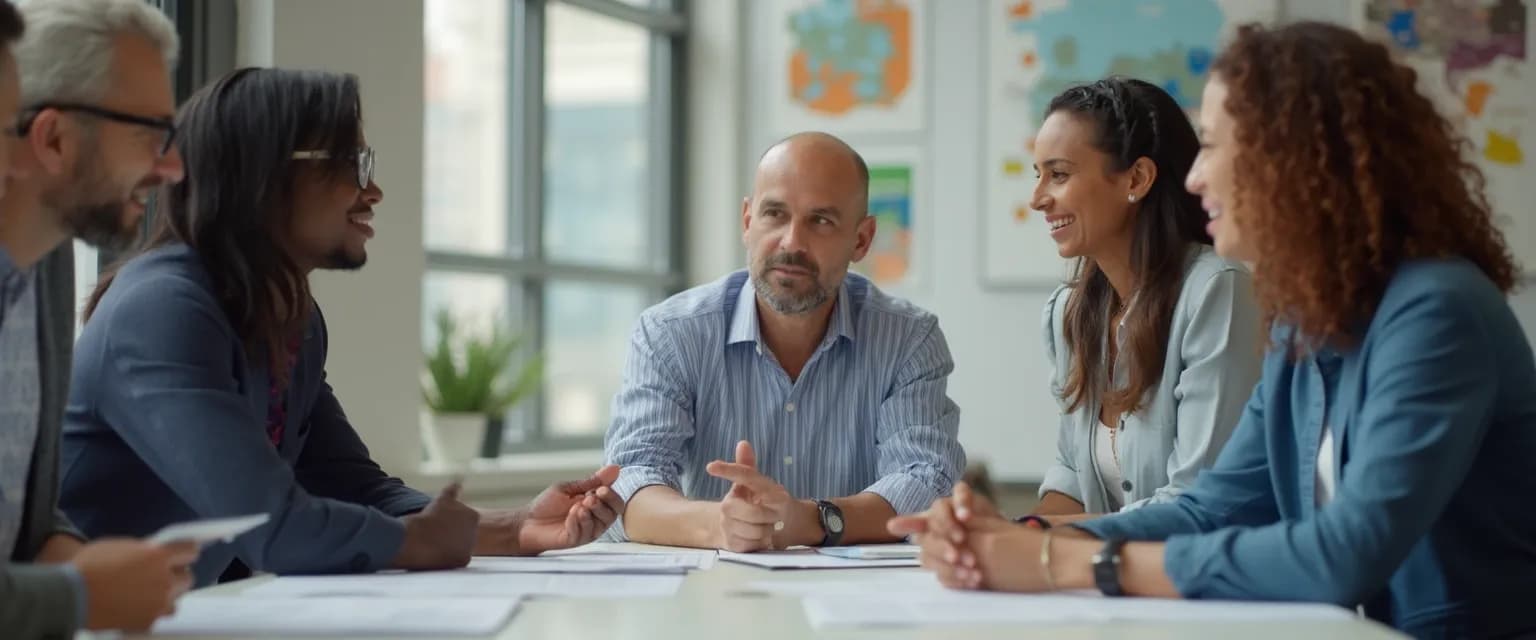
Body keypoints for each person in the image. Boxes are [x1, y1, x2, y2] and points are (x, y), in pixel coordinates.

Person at [892, 21, 1536, 639]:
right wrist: (1016, 536)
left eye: (1217, 146)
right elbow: (1213, 508)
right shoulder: (1304, 323)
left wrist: (1065, 563)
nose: (1196, 177)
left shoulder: (1437, 313)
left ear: (1298, 162)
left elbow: (1344, 553)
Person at [59, 67, 624, 587]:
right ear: (268, 174)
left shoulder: (292, 318)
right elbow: (273, 527)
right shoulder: (162, 310)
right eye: (354, 165)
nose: (373, 192)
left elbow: (353, 486)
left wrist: (518, 527)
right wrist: (415, 542)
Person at [605, 132, 965, 552]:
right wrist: (720, 525)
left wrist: (810, 521)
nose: (792, 242)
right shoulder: (669, 334)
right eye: (774, 214)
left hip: (859, 600)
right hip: (715, 592)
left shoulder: (908, 340)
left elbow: (925, 482)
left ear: (861, 240)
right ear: (747, 221)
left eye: (822, 221)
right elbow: (628, 482)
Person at [1, 0, 200, 635]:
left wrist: (93, 569)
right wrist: (77, 594)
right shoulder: (158, 302)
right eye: (151, 134)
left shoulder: (47, 269)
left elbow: (24, 527)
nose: (172, 169)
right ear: (53, 138)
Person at [1029, 77, 1260, 520]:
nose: (1038, 198)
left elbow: (1198, 502)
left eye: (1058, 174)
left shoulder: (1216, 291)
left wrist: (1040, 541)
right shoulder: (1069, 312)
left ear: (1137, 178)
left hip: (1200, 581)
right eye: (1037, 175)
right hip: (1110, 580)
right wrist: (1015, 531)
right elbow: (1070, 477)